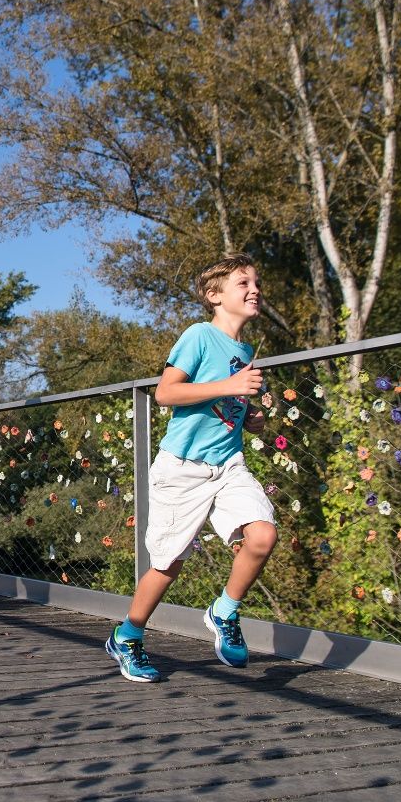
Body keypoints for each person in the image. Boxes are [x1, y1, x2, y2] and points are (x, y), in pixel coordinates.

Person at [106, 253, 276, 681]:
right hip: (182, 469)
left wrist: (251, 418)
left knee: (263, 536)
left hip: (228, 464)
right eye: (244, 283)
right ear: (214, 295)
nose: (255, 289)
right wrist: (230, 385)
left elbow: (227, 404)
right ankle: (127, 636)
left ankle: (225, 611)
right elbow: (166, 393)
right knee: (168, 565)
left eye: (256, 282)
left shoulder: (245, 351)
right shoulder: (199, 335)